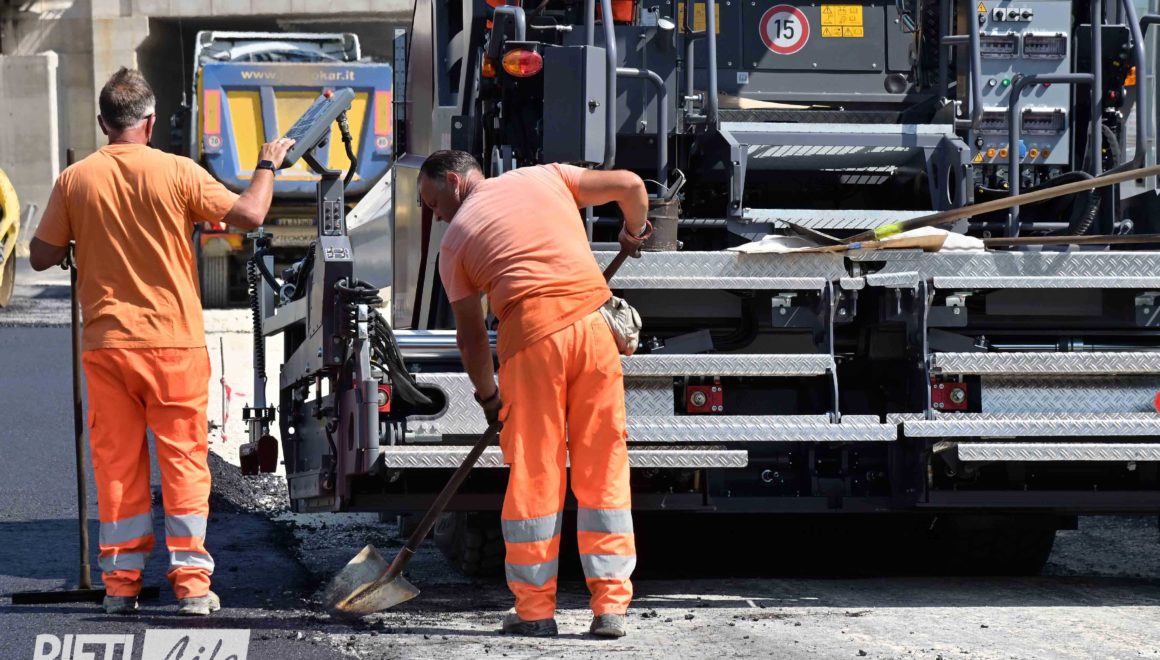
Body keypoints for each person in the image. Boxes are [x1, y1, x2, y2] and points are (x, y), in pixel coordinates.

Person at [29, 67, 294, 616]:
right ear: (149, 123)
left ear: (102, 122)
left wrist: (77, 237)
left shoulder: (75, 179)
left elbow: (40, 255)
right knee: (183, 461)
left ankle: (120, 586)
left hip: (107, 345)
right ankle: (191, 585)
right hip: (174, 344)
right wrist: (266, 165)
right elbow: (250, 214)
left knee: (117, 465)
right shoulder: (178, 172)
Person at [418, 150, 649, 639]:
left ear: (455, 182)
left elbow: (471, 338)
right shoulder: (549, 177)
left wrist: (488, 398)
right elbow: (631, 184)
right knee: (603, 464)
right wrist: (633, 233)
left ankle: (535, 611)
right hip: (595, 331)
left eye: (433, 202)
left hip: (530, 342)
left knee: (536, 474)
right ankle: (611, 607)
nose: (436, 216)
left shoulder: (454, 245)